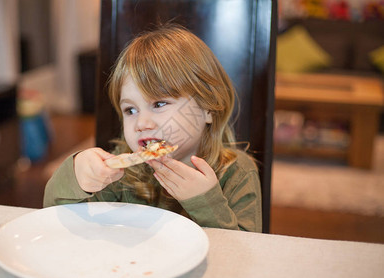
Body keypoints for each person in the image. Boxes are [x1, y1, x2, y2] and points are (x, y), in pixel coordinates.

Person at [44, 24, 262, 232]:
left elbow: (242, 252)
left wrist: (205, 202)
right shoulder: (120, 173)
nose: (141, 124)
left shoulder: (238, 173)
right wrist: (76, 175)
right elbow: (57, 220)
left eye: (159, 104)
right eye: (130, 110)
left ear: (207, 109)